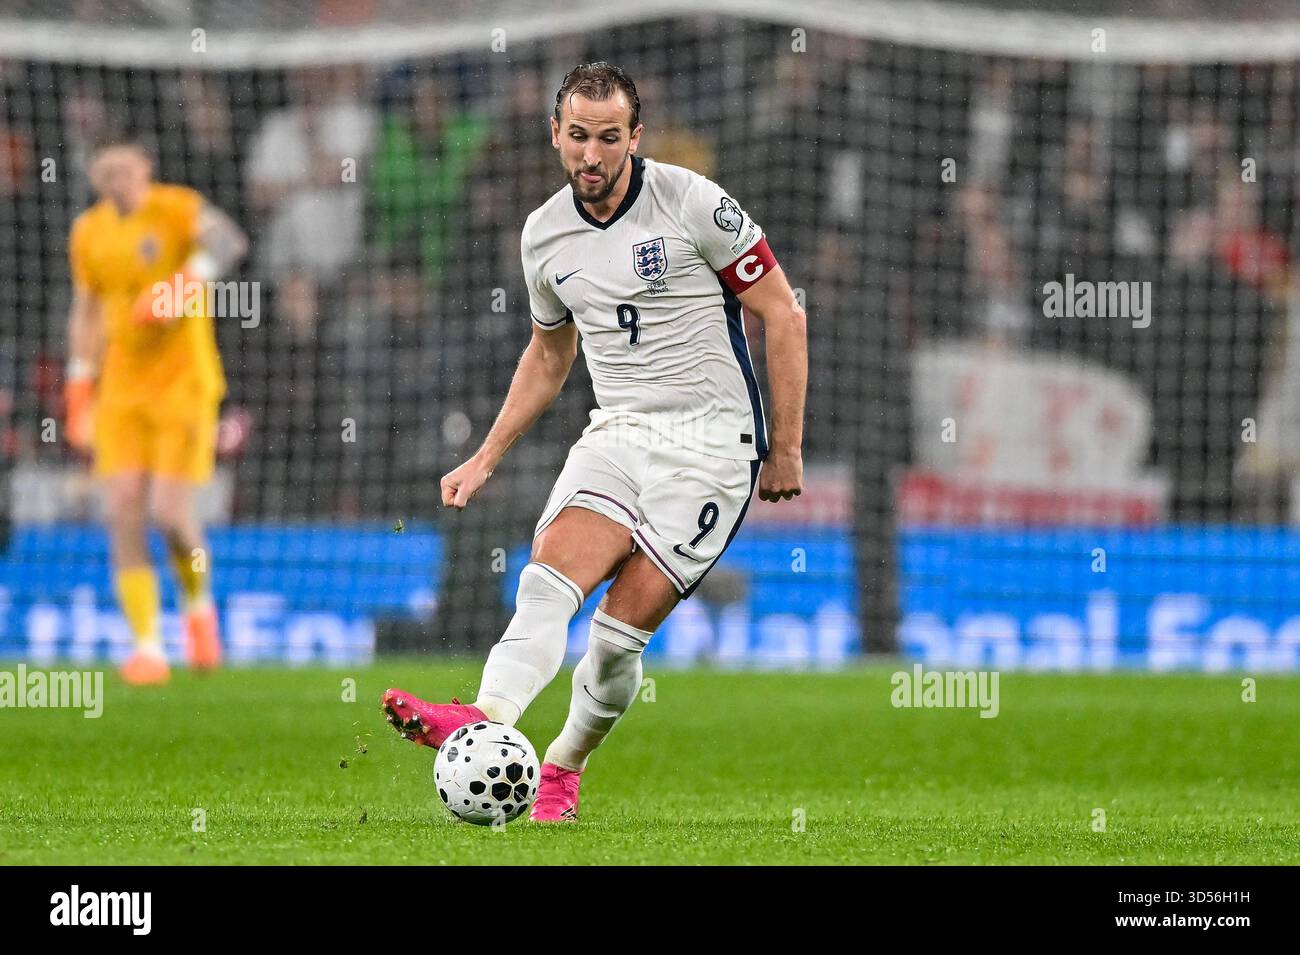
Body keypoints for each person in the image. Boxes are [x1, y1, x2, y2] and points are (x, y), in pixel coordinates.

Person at [383, 62, 807, 822]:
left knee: (614, 641)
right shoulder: (544, 235)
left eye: (610, 138)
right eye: (578, 136)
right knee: (545, 582)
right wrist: (486, 455)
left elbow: (784, 314)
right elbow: (550, 355)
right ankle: (482, 715)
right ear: (556, 134)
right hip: (617, 432)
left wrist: (786, 450)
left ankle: (562, 768)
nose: (592, 155)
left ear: (635, 138)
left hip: (713, 444)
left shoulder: (694, 202)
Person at [65, 136, 247, 685]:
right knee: (121, 508)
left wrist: (185, 282)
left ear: (145, 167)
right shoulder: (89, 231)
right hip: (121, 391)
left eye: (124, 167)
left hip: (185, 386)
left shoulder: (176, 207)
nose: (115, 178)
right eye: (105, 169)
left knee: (170, 514)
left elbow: (230, 241)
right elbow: (87, 310)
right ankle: (145, 646)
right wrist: (78, 387)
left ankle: (197, 609)